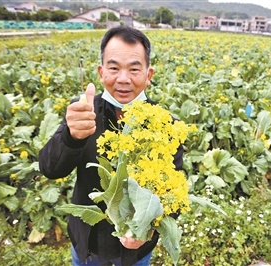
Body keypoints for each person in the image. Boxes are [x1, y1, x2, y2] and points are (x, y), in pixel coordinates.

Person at [39, 26, 184, 266]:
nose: (123, 79)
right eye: (114, 68)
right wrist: (71, 137)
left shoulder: (166, 125)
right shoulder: (84, 113)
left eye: (134, 69)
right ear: (101, 72)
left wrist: (148, 226)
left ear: (148, 75)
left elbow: (173, 194)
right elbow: (49, 169)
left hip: (135, 254)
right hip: (88, 247)